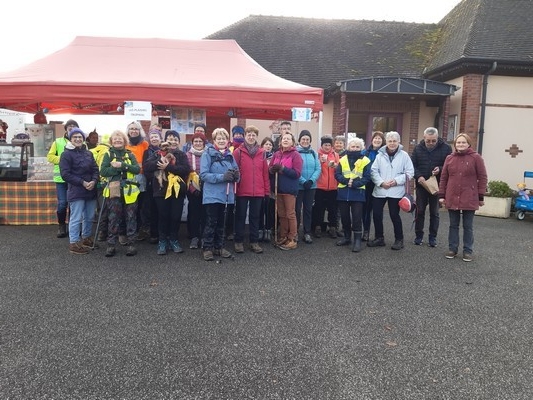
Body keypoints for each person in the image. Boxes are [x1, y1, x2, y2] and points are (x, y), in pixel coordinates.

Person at [438, 133, 487, 262]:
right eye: (458, 143)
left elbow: (482, 177)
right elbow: (444, 178)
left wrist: (480, 196)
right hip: (452, 195)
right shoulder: (449, 158)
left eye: (463, 142)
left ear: (469, 144)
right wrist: (442, 195)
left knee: (468, 225)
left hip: (469, 196)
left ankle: (467, 251)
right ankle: (452, 249)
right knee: (453, 225)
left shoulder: (476, 158)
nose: (460, 145)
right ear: (455, 145)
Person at [144, 130, 191, 255]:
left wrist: (168, 167)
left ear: (179, 142)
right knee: (163, 216)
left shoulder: (181, 155)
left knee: (175, 216)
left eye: (175, 139)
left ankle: (174, 239)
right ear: (165, 141)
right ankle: (162, 240)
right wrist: (160, 162)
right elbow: (147, 167)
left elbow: (186, 169)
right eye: (170, 139)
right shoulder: (156, 154)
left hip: (177, 191)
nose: (173, 141)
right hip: (161, 191)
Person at [368, 131, 414, 250]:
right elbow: (373, 171)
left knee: (394, 215)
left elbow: (410, 173)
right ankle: (379, 238)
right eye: (390, 141)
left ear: (399, 142)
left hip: (396, 190)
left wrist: (396, 181)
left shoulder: (404, 155)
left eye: (394, 141)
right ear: (386, 142)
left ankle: (399, 239)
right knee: (377, 214)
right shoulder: (380, 155)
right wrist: (381, 183)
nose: (392, 143)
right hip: (380, 190)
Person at [200, 128, 239, 261]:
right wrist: (223, 177)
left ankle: (219, 246)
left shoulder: (230, 155)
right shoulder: (207, 154)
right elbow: (204, 175)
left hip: (227, 195)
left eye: (224, 138)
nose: (222, 141)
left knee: (222, 223)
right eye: (219, 138)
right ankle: (207, 247)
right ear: (214, 140)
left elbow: (236, 172)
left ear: (227, 140)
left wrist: (236, 176)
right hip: (212, 195)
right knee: (211, 222)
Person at [100, 130, 141, 257]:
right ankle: (111, 245)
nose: (118, 141)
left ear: (124, 141)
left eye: (120, 139)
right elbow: (103, 171)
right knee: (113, 217)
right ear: (111, 141)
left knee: (131, 217)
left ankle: (131, 244)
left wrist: (122, 165)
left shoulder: (130, 154)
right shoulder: (107, 154)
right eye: (115, 139)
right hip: (114, 188)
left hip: (130, 190)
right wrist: (114, 168)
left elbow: (137, 169)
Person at [59, 128, 99, 255]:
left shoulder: (88, 153)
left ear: (83, 139)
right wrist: (82, 182)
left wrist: (94, 181)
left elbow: (95, 169)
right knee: (76, 217)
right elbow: (65, 174)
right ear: (70, 139)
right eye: (75, 137)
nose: (77, 139)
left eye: (80, 137)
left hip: (90, 189)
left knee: (89, 216)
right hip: (76, 190)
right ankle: (74, 242)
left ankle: (86, 237)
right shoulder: (66, 155)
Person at [411, 127, 452, 247]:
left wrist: (440, 168)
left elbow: (449, 165)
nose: (430, 143)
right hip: (422, 185)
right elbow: (412, 166)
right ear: (424, 138)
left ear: (437, 138)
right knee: (420, 211)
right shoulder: (418, 148)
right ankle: (419, 236)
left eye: (433, 141)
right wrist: (418, 176)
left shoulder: (446, 148)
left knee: (435, 213)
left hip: (437, 186)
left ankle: (432, 238)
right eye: (428, 140)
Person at [233, 125, 270, 254]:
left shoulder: (262, 153)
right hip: (242, 190)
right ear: (245, 136)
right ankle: (238, 242)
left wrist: (266, 190)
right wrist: (235, 189)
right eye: (249, 134)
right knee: (240, 217)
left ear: (256, 137)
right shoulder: (238, 152)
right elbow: (234, 171)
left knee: (255, 217)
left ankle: (254, 242)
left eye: (253, 135)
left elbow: (265, 173)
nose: (251, 137)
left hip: (258, 191)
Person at [334, 137, 371, 252]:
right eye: (353, 146)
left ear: (361, 148)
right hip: (343, 192)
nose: (355, 149)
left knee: (357, 217)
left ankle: (357, 241)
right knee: (344, 217)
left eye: (357, 147)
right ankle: (347, 237)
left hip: (358, 193)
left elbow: (367, 177)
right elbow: (337, 174)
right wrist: (346, 181)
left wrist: (355, 184)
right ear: (348, 147)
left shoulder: (366, 160)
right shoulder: (342, 159)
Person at [269, 130, 303, 250]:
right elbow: (270, 168)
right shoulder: (276, 154)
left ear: (292, 142)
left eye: (288, 138)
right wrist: (272, 170)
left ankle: (292, 237)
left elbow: (297, 173)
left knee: (290, 214)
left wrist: (283, 168)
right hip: (279, 189)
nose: (285, 140)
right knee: (282, 214)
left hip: (289, 189)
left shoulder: (296, 155)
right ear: (280, 141)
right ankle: (283, 235)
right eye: (283, 138)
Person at [47, 119, 79, 238]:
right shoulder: (58, 142)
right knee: (62, 203)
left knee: (73, 204)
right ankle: (61, 225)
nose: (71, 127)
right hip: (61, 179)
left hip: (75, 179)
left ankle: (72, 226)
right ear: (65, 129)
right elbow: (50, 157)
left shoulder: (80, 141)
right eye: (69, 126)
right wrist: (62, 159)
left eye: (74, 125)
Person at [312, 135, 340, 239]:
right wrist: (321, 161)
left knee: (333, 209)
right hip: (320, 186)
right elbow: (315, 167)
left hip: (333, 187)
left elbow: (339, 168)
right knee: (319, 208)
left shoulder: (335, 155)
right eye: (325, 145)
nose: (327, 147)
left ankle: (332, 227)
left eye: (329, 145)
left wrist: (336, 166)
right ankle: (317, 227)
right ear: (322, 145)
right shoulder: (317, 154)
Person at [125, 121, 149, 241]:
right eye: (131, 128)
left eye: (136, 129)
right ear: (128, 131)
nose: (134, 131)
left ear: (140, 131)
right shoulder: (125, 144)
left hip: (142, 179)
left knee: (142, 206)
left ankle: (142, 230)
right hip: (128, 180)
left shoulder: (145, 144)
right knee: (130, 206)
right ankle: (129, 231)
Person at [296, 130, 321, 244]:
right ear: (299, 141)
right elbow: (294, 169)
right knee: (296, 210)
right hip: (298, 186)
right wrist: (303, 181)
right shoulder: (295, 153)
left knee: (308, 210)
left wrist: (310, 181)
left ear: (310, 141)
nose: (305, 141)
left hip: (311, 187)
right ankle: (295, 231)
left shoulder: (314, 153)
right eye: (303, 139)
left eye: (307, 139)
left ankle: (307, 232)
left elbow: (318, 168)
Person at [185, 129, 208, 249]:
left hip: (206, 189)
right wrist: (193, 189)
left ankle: (204, 237)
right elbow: (186, 173)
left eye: (200, 141)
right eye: (196, 141)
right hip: (192, 189)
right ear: (192, 143)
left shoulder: (208, 154)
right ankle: (194, 237)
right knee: (194, 214)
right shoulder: (187, 155)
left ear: (204, 143)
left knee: (205, 214)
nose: (198, 143)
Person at [362, 131, 385, 241]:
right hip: (367, 184)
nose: (377, 140)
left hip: (380, 184)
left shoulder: (385, 154)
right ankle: (365, 231)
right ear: (371, 140)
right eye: (375, 138)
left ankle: (378, 235)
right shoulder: (365, 153)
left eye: (379, 139)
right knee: (365, 209)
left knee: (377, 211)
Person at [141, 129, 163, 244]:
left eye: (156, 136)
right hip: (151, 184)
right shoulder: (146, 152)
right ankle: (154, 233)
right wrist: (157, 168)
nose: (154, 138)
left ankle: (163, 233)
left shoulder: (165, 150)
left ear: (160, 139)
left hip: (164, 185)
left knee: (162, 210)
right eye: (152, 137)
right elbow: (146, 167)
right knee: (153, 210)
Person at [258, 137, 275, 242]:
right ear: (262, 146)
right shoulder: (259, 157)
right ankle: (260, 229)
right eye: (266, 144)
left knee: (270, 210)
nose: (268, 146)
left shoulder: (275, 157)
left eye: (270, 144)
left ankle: (268, 229)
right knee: (260, 210)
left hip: (272, 188)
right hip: (261, 187)